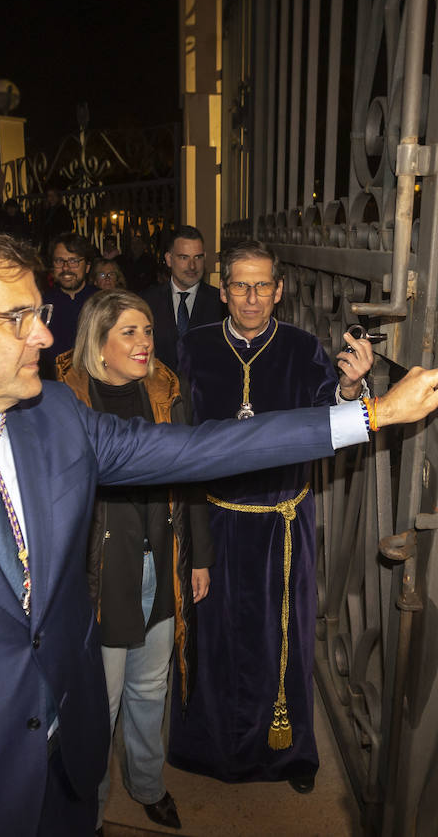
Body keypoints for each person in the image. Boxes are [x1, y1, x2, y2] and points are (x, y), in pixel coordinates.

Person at [0, 220, 438, 837]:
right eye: (17, 319)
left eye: (40, 311)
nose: (45, 332)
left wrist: (375, 413)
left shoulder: (55, 420)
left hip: (67, 774)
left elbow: (203, 448)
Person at [167, 240, 375, 792]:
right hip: (213, 519)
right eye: (240, 285)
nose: (252, 297)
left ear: (279, 290)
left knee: (281, 639)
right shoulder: (195, 346)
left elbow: (334, 420)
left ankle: (287, 756)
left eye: (263, 285)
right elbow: (176, 431)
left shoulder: (303, 348)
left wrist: (350, 386)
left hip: (283, 523)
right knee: (212, 638)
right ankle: (211, 750)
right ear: (224, 290)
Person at [55, 291, 210, 833]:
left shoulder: (166, 391)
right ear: (98, 342)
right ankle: (89, 808)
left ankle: (147, 785)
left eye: (147, 330)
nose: (145, 342)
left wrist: (199, 556)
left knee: (151, 688)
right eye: (129, 332)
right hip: (99, 573)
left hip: (162, 561)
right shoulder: (63, 400)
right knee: (101, 700)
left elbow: (193, 471)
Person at [140, 226, 223, 375]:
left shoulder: (221, 303)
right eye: (184, 258)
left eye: (198, 257)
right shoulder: (146, 302)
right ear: (169, 259)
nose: (192, 266)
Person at [40, 231, 98, 377]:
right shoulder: (41, 305)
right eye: (59, 261)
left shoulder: (103, 302)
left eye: (73, 261)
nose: (66, 268)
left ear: (87, 267)